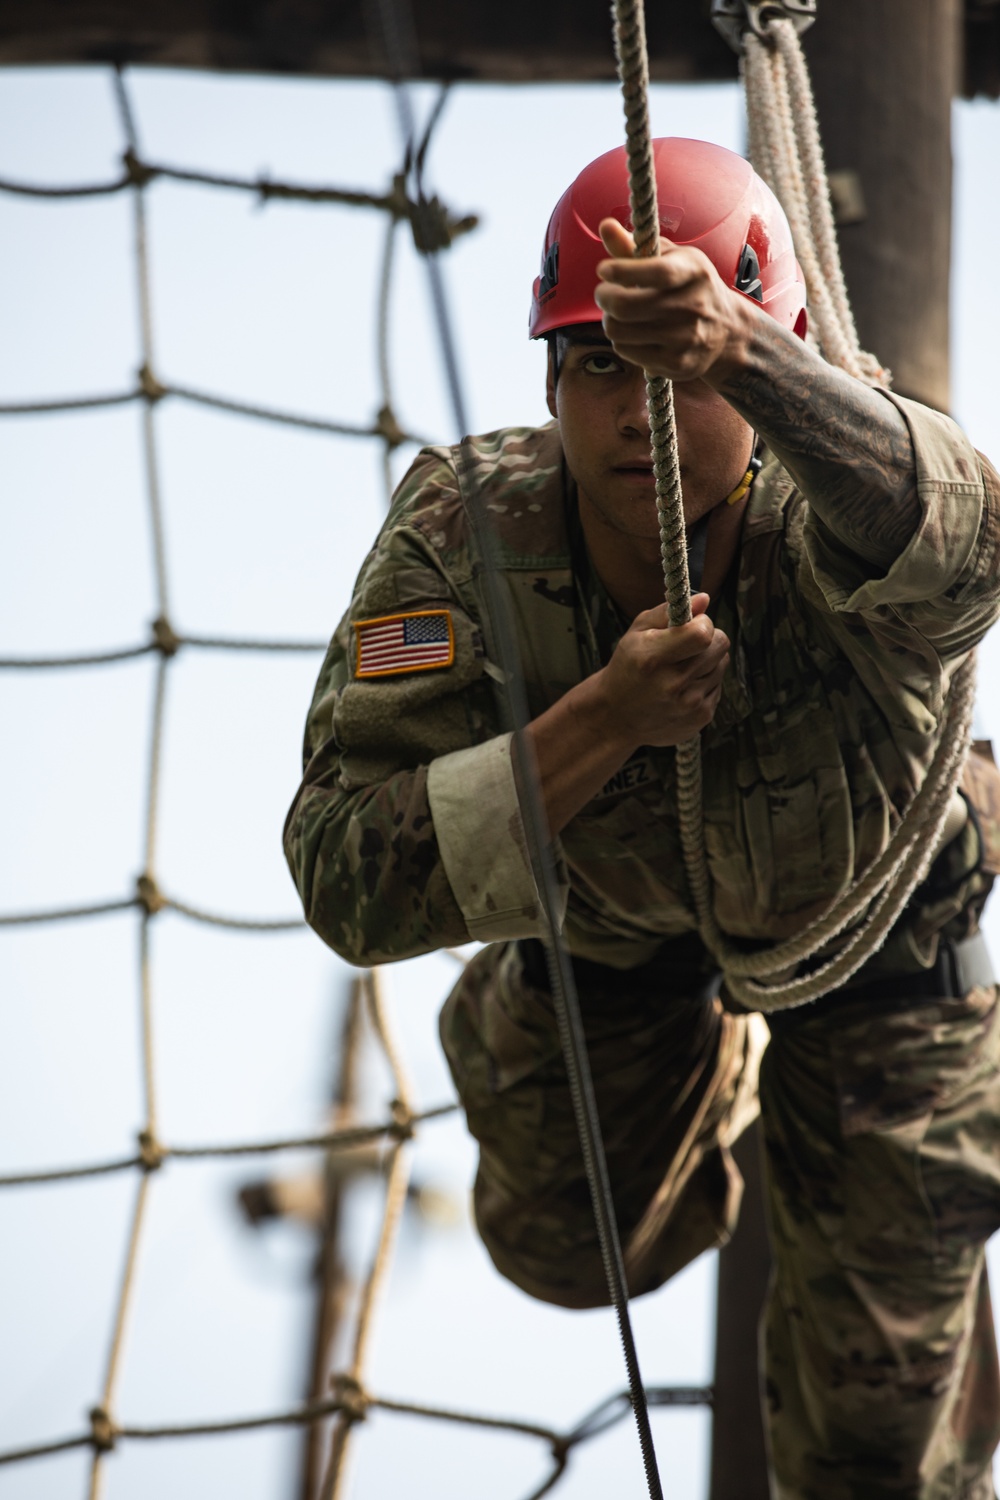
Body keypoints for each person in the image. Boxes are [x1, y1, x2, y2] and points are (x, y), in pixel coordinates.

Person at [284, 138, 1000, 1498]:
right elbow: (342, 874)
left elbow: (970, 552)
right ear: (552, 380)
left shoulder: (841, 485)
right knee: (567, 1250)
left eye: (673, 373)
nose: (637, 413)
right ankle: (712, 1053)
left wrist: (742, 352)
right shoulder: (470, 527)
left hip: (879, 949)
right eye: (597, 365)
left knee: (874, 1459)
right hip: (615, 927)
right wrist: (602, 720)